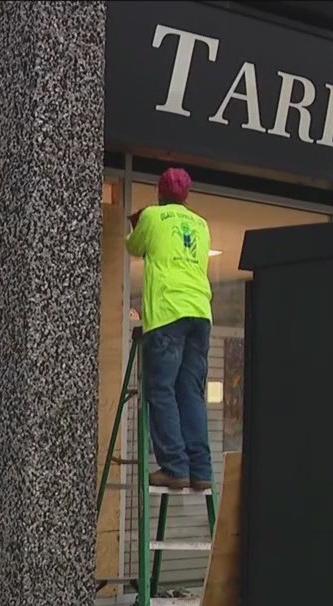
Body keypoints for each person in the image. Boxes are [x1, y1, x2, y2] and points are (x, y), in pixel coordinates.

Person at [125, 167, 214, 491]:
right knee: (189, 392)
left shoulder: (152, 216)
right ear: (186, 194)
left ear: (160, 193)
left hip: (168, 314)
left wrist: (139, 222)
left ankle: (175, 467)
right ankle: (201, 471)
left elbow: (134, 246)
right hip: (200, 314)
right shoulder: (202, 225)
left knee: (161, 390)